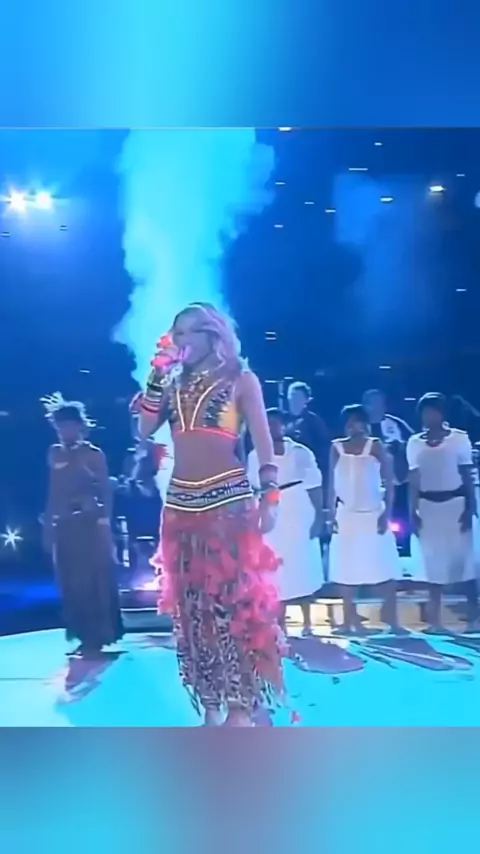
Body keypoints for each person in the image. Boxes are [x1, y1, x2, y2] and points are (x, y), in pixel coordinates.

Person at [137, 303, 284, 727]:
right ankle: (210, 700)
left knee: (232, 607)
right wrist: (157, 374)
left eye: (188, 332)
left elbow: (263, 442)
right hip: (181, 506)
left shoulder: (241, 378)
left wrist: (270, 494)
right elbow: (144, 430)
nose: (180, 340)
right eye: (176, 333)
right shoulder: (172, 383)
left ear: (212, 335)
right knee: (192, 611)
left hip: (227, 504)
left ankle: (241, 701)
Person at [42, 393, 124, 657]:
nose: (64, 431)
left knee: (92, 580)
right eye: (60, 427)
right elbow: (53, 490)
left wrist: (104, 521)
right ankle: (81, 633)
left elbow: (106, 489)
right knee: (70, 581)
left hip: (89, 525)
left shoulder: (93, 454)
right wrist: (48, 524)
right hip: (65, 525)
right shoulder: (54, 453)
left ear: (80, 426)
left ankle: (96, 636)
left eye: (68, 426)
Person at [247, 409, 325, 636]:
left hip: (299, 509)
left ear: (284, 426)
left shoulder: (301, 452)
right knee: (276, 568)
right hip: (271, 511)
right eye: (267, 424)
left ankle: (308, 623)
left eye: (276, 424)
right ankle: (280, 624)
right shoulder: (256, 454)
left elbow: (315, 485)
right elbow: (252, 487)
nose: (272, 428)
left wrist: (320, 516)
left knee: (302, 565)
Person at [407, 393, 479, 632]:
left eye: (433, 411)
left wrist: (470, 508)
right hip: (428, 506)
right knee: (432, 564)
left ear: (442, 413)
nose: (429, 416)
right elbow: (414, 479)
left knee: (464, 563)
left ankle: (474, 618)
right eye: (425, 412)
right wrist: (412, 511)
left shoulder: (459, 439)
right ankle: (435, 621)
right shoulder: (414, 442)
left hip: (455, 504)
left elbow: (467, 475)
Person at [328, 404, 402, 634]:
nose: (353, 426)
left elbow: (389, 481)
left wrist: (387, 514)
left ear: (365, 423)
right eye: (349, 422)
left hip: (373, 514)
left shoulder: (375, 445)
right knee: (345, 567)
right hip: (346, 515)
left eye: (357, 421)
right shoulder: (336, 447)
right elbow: (331, 483)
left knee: (383, 565)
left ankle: (392, 619)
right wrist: (330, 514)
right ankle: (349, 620)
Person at [285, 381, 330, 484]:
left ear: (307, 400)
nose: (294, 400)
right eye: (292, 396)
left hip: (306, 474)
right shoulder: (282, 419)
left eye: (298, 397)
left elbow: (323, 450)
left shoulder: (315, 421)